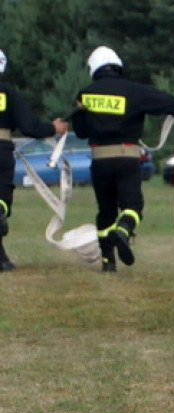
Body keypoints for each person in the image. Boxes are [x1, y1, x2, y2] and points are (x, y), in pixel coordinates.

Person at [72, 46, 174, 273]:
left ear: (93, 69)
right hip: (127, 158)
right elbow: (170, 103)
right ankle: (124, 230)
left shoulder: (85, 95)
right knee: (132, 205)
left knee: (105, 210)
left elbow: (82, 131)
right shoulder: (134, 90)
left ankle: (108, 262)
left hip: (100, 160)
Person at [0, 49, 69, 271]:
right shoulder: (8, 93)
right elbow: (30, 126)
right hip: (1, 150)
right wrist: (53, 128)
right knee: (1, 198)